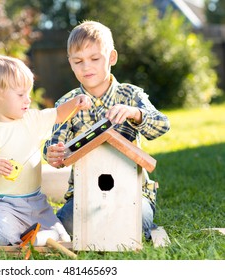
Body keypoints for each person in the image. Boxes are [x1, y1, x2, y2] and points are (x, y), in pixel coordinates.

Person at [43, 20, 170, 241]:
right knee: (64, 229)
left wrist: (135, 113)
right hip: (84, 195)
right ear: (70, 64)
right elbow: (54, 145)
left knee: (134, 223)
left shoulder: (131, 95)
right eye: (78, 61)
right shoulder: (67, 103)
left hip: (133, 193)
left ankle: (129, 225)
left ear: (111, 58)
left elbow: (162, 125)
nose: (86, 67)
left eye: (94, 58)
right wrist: (52, 153)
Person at [0, 54, 92, 245]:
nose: (28, 99)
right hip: (4, 205)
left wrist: (76, 102)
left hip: (36, 203)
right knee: (2, 236)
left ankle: (23, 233)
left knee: (63, 239)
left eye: (28, 94)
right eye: (21, 95)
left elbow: (58, 114)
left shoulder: (31, 119)